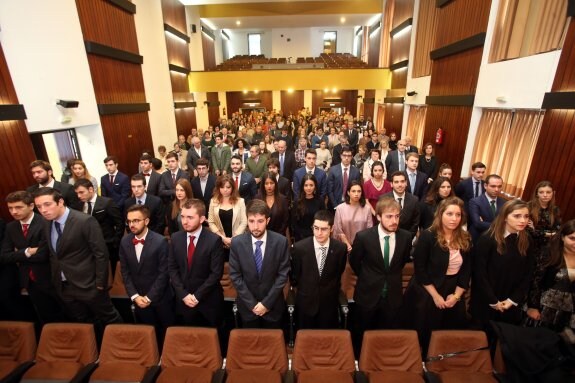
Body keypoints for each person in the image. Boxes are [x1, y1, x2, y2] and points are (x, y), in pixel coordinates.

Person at [33, 187, 122, 325]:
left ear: (60, 202)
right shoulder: (46, 222)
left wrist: (99, 284)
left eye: (47, 204)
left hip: (89, 285)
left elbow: (101, 254)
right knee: (83, 322)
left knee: (109, 318)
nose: (43, 210)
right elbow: (53, 253)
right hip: (64, 287)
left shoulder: (85, 221)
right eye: (39, 206)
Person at [403, 197, 472, 349]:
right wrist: (435, 296)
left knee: (447, 334)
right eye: (449, 214)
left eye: (458, 215)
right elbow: (420, 269)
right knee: (423, 333)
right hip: (426, 289)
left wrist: (456, 296)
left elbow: (466, 271)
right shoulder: (428, 236)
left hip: (452, 290)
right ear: (440, 214)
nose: (454, 219)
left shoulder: (465, 237)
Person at [350, 197, 412, 353]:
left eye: (397, 216)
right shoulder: (363, 237)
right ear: (378, 217)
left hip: (393, 296)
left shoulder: (405, 237)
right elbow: (355, 262)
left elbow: (401, 262)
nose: (394, 221)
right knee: (361, 337)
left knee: (386, 338)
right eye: (389, 216)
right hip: (367, 295)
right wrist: (368, 276)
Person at [1, 191, 65, 323]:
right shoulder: (11, 227)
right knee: (45, 316)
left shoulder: (45, 222)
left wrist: (18, 254)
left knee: (65, 314)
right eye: (10, 208)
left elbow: (43, 255)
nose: (14, 212)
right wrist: (29, 251)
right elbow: (4, 256)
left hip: (51, 277)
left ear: (31, 206)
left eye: (18, 207)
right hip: (29, 281)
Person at [471, 199, 535, 327]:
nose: (523, 220)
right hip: (486, 300)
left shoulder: (527, 240)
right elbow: (479, 273)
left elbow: (529, 273)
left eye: (526, 216)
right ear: (505, 217)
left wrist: (512, 300)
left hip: (511, 302)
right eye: (517, 216)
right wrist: (493, 301)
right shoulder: (487, 239)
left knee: (504, 341)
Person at [229, 200, 290, 328]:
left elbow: (282, 276)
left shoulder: (281, 242)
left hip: (273, 308)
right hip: (247, 308)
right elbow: (235, 276)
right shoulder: (237, 243)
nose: (255, 226)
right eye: (251, 221)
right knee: (250, 346)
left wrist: (266, 304)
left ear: (267, 221)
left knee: (273, 346)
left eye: (260, 221)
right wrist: (252, 304)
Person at [120, 205, 174, 342]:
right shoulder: (124, 241)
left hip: (161, 299)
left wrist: (149, 297)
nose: (132, 224)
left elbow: (164, 273)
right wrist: (135, 296)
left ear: (147, 221)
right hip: (139, 299)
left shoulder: (160, 241)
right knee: (148, 337)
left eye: (136, 220)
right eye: (129, 221)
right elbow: (125, 273)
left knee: (167, 335)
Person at [169, 199, 224, 327]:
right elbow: (172, 269)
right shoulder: (175, 238)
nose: (185, 221)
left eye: (190, 217)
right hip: (183, 301)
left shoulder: (214, 240)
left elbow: (216, 274)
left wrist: (196, 296)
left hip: (208, 302)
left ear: (201, 219)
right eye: (182, 216)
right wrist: (184, 295)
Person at [291, 210, 347, 329]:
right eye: (316, 228)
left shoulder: (340, 249)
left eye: (324, 229)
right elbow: (295, 276)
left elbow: (338, 273)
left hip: (329, 305)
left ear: (331, 229)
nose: (319, 233)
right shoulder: (299, 248)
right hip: (305, 304)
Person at [526, 219, 575, 333]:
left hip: (568, 312)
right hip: (544, 308)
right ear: (563, 237)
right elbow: (535, 281)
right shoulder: (549, 253)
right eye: (572, 238)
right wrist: (533, 306)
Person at [74, 179, 124, 274]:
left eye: (81, 192)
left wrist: (115, 242)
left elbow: (119, 223)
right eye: (77, 193)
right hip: (88, 245)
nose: (79, 196)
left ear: (91, 189)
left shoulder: (107, 202)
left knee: (113, 270)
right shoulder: (79, 205)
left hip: (108, 243)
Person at [207, 175, 247, 261]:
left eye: (228, 187)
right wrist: (222, 238)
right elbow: (211, 222)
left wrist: (234, 238)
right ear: (218, 188)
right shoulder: (213, 201)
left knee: (237, 266)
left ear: (232, 187)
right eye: (222, 187)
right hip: (219, 241)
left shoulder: (240, 201)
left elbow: (244, 222)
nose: (225, 190)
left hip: (237, 241)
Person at [333, 181, 374, 252]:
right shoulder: (340, 208)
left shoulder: (367, 208)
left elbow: (369, 229)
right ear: (348, 192)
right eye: (353, 191)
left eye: (359, 191)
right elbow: (338, 230)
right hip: (343, 246)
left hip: (362, 247)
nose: (356, 194)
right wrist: (347, 245)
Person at [527, 181, 562, 257]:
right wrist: (548, 234)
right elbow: (528, 230)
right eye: (541, 192)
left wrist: (535, 230)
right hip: (528, 244)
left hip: (546, 248)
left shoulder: (556, 210)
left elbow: (557, 232)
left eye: (548, 192)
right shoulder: (528, 207)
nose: (545, 195)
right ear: (537, 194)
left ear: (553, 193)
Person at [381, 171, 420, 239]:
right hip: (388, 238)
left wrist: (408, 238)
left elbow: (415, 223)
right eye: (396, 182)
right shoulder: (383, 199)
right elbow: (381, 220)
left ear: (406, 183)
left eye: (402, 181)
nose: (400, 185)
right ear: (391, 184)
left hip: (407, 239)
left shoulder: (414, 200)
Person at [468, 174, 506, 243]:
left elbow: (506, 222)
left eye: (499, 186)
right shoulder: (475, 202)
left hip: (495, 240)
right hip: (478, 239)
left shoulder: (504, 203)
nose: (497, 189)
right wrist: (500, 226)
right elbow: (478, 224)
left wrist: (484, 223)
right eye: (493, 186)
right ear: (485, 186)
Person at [292, 174, 325, 242]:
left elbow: (323, 219)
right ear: (302, 187)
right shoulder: (297, 201)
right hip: (301, 238)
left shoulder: (320, 201)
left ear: (315, 186)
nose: (309, 188)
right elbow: (293, 223)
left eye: (311, 185)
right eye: (306, 185)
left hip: (317, 236)